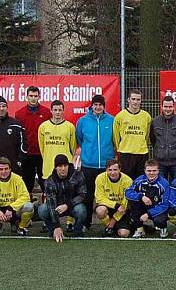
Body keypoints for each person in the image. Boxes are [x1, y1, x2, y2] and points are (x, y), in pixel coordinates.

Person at [75, 94, 115, 230]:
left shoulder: (112, 120)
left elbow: (115, 140)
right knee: (88, 195)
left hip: (106, 165)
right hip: (88, 165)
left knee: (108, 195)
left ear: (104, 106)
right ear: (91, 106)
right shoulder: (83, 121)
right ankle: (86, 224)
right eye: (95, 105)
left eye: (100, 105)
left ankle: (110, 224)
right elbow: (80, 139)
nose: (98, 107)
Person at [38, 153, 87, 241]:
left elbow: (82, 195)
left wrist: (67, 205)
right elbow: (51, 204)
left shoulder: (78, 175)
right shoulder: (49, 181)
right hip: (57, 207)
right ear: (55, 167)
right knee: (42, 209)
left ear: (68, 165)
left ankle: (78, 231)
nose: (63, 169)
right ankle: (53, 231)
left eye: (65, 165)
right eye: (60, 166)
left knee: (81, 210)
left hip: (73, 206)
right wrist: (57, 225)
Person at [15, 86, 51, 194]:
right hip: (27, 154)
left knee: (44, 181)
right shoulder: (19, 114)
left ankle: (45, 206)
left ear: (39, 97)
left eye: (36, 96)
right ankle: (28, 208)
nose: (33, 98)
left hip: (42, 153)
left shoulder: (46, 113)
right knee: (27, 183)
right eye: (31, 96)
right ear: (26, 97)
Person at [125, 159, 171, 238]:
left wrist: (148, 214)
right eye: (149, 171)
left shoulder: (164, 183)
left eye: (154, 171)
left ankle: (163, 228)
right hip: (143, 207)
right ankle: (139, 229)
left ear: (158, 171)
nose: (151, 173)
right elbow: (128, 193)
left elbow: (165, 205)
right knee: (133, 202)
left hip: (157, 208)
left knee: (159, 221)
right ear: (145, 171)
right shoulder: (140, 179)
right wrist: (141, 196)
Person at [113, 88, 152, 180]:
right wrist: (121, 147)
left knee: (141, 181)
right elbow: (116, 136)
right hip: (125, 153)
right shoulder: (120, 116)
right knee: (126, 181)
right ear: (128, 100)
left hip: (142, 153)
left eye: (138, 99)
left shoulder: (146, 116)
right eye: (133, 99)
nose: (135, 102)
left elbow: (147, 136)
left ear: (141, 101)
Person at [150, 95, 176, 183]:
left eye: (170, 106)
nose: (168, 109)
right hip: (160, 162)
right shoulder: (155, 122)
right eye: (165, 106)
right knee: (161, 187)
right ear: (162, 107)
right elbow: (153, 140)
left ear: (174, 107)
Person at [38, 100, 77, 181]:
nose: (57, 112)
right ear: (51, 111)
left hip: (65, 168)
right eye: (55, 110)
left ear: (63, 111)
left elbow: (73, 148)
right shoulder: (43, 126)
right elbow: (42, 148)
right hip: (48, 166)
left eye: (60, 110)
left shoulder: (70, 127)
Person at [94, 158, 133, 237]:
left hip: (122, 211)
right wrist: (115, 205)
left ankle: (113, 227)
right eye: (110, 170)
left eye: (115, 169)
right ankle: (110, 227)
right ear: (106, 170)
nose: (112, 173)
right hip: (109, 207)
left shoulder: (128, 181)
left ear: (120, 170)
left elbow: (124, 205)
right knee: (100, 210)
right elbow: (99, 198)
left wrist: (113, 221)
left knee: (124, 234)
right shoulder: (100, 178)